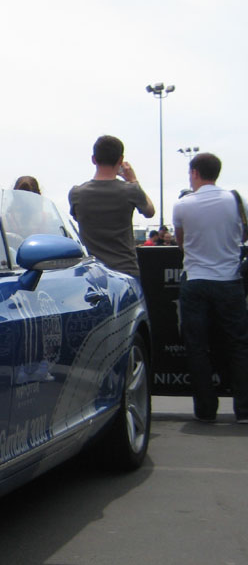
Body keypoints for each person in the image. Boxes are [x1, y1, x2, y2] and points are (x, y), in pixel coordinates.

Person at [172, 152, 248, 423]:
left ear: (194, 173)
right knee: (238, 345)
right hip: (230, 281)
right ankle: (243, 409)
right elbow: (243, 235)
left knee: (197, 347)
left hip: (196, 280)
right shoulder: (236, 200)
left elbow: (181, 242)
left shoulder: (182, 205)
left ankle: (205, 410)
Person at [68, 135, 155, 279]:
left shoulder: (77, 193)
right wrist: (133, 181)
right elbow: (150, 211)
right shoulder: (130, 190)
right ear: (120, 160)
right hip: (126, 271)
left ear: (93, 159)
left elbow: (77, 218)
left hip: (92, 274)